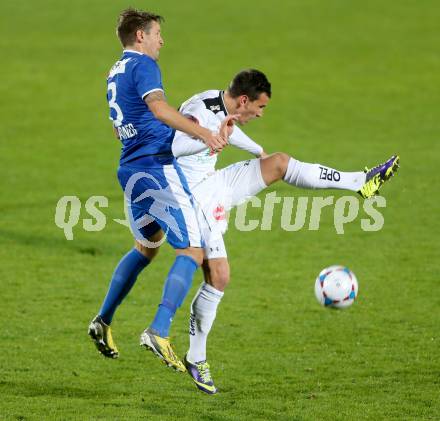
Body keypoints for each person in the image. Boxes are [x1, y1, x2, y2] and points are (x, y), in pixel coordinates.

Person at [167, 69, 399, 393]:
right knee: (219, 277)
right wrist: (207, 137)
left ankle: (359, 182)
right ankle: (196, 357)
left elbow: (226, 130)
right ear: (245, 101)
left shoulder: (216, 101)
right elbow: (173, 146)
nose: (260, 114)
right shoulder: (199, 114)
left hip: (214, 184)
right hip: (194, 199)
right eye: (260, 108)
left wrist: (256, 150)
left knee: (278, 162)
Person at [88, 8, 235, 373]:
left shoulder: (115, 71)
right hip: (157, 167)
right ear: (140, 35)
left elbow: (119, 123)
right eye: (156, 34)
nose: (161, 41)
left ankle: (102, 320)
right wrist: (202, 133)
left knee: (146, 247)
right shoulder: (143, 66)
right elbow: (157, 108)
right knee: (192, 250)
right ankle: (159, 330)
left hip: (130, 168)